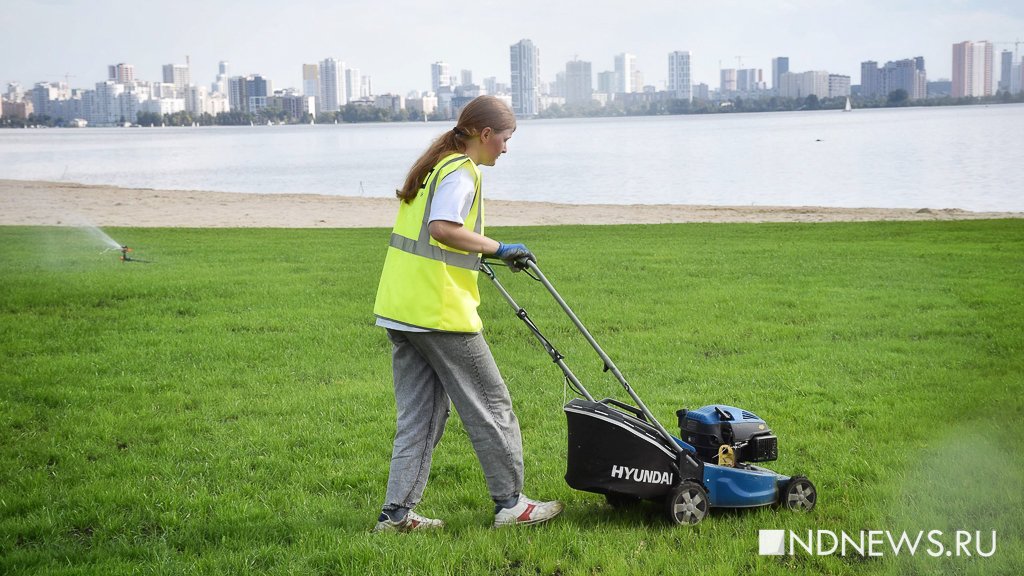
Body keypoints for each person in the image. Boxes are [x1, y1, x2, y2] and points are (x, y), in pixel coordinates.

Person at [372, 95, 564, 532]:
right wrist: (500, 248)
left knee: (420, 416)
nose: (506, 149)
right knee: (492, 404)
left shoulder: (434, 167)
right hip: (439, 313)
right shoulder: (461, 171)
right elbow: (443, 229)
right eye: (505, 138)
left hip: (402, 311)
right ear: (485, 135)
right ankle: (512, 505)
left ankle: (396, 515)